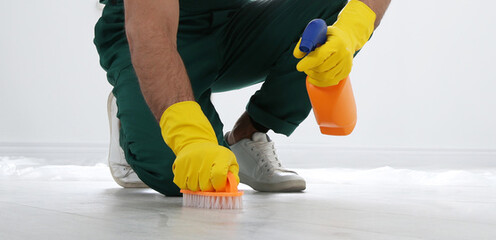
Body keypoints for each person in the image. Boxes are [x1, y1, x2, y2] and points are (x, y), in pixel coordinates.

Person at [93, 0, 390, 195]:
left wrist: (351, 31)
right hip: (152, 28)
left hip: (235, 19)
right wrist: (189, 137)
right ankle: (137, 110)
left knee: (336, 10)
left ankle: (247, 135)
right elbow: (150, 27)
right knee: (184, 175)